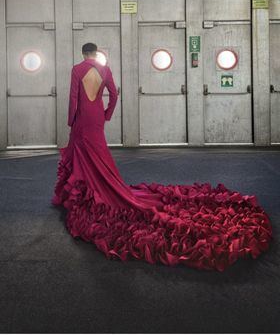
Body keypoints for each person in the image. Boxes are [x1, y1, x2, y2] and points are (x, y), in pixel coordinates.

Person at [51, 42, 273, 271]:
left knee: (82, 155)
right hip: (97, 117)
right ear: (96, 54)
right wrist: (106, 113)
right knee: (99, 154)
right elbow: (115, 95)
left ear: (82, 54)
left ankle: (88, 190)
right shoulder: (105, 70)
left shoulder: (77, 69)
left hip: (82, 119)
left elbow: (73, 99)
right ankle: (102, 186)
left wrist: (71, 121)